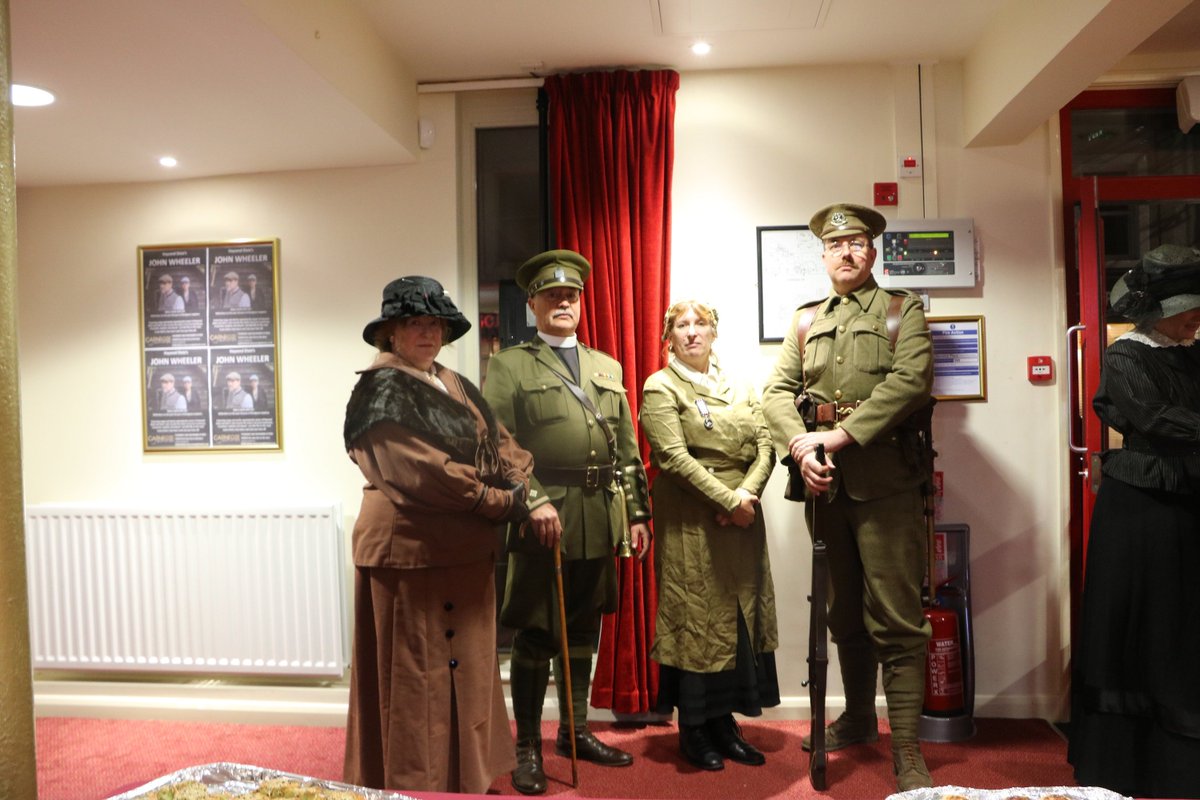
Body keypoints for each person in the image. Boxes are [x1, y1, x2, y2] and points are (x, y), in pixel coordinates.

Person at [761, 203, 935, 792]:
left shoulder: (901, 310)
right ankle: (859, 719)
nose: (847, 253)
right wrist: (800, 449)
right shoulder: (806, 320)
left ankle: (907, 748)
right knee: (842, 613)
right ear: (824, 255)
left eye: (858, 243)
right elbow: (778, 392)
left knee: (897, 617)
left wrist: (836, 435)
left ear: (873, 252)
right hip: (826, 488)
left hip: (887, 483)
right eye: (836, 245)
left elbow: (910, 382)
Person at [342, 275, 533, 794]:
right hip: (411, 553)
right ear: (391, 334)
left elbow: (502, 443)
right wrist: (501, 502)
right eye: (413, 323)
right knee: (416, 681)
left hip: (462, 552)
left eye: (434, 323)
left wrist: (521, 486)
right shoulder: (378, 392)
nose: (426, 332)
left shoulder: (450, 380)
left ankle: (462, 777)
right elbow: (423, 473)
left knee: (465, 676)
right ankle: (413, 784)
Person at [482, 249, 652, 796]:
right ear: (532, 303)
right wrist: (531, 500)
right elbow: (496, 444)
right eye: (552, 295)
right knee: (536, 630)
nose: (563, 303)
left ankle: (575, 733)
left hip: (600, 515)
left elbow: (626, 449)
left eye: (571, 295)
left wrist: (639, 514)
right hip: (544, 516)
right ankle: (527, 745)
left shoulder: (607, 367)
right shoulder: (510, 365)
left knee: (583, 627)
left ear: (581, 303)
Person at [1067, 244, 1200, 799]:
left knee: (1180, 623)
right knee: (1141, 621)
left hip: (1187, 504)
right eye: (1188, 307)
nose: (1197, 316)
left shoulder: (1192, 353)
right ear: (1159, 310)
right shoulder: (1127, 355)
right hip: (1140, 512)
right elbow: (1157, 420)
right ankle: (1130, 759)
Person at [639, 300, 779, 771]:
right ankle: (694, 730)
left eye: (701, 324)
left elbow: (766, 446)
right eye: (682, 325)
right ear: (670, 337)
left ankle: (724, 725)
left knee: (737, 622)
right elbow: (673, 458)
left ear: (715, 332)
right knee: (696, 623)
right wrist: (728, 501)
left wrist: (746, 495)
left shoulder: (738, 384)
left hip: (741, 518)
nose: (693, 332)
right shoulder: (660, 387)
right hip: (691, 521)